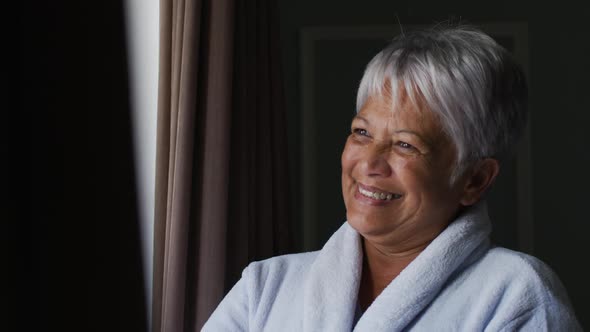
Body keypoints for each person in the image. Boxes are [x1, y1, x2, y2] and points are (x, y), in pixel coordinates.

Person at [202, 25, 582, 331]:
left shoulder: (517, 295)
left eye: (405, 145)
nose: (369, 163)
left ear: (475, 179)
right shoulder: (266, 286)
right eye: (362, 133)